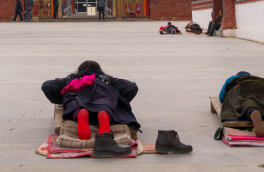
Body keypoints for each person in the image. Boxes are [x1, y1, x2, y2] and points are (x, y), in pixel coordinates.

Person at [41, 60, 192, 157]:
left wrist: (61, 97)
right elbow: (131, 87)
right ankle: (104, 116)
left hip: (78, 90)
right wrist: (117, 97)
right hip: (103, 91)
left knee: (76, 103)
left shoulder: (72, 78)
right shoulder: (107, 79)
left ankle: (81, 114)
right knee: (106, 103)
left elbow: (47, 86)